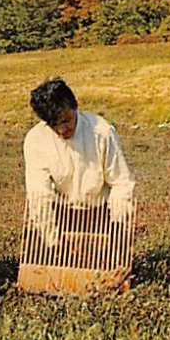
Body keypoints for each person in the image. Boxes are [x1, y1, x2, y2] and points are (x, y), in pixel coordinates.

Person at [23, 78, 135, 236]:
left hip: (100, 214)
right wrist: (50, 237)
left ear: (75, 107)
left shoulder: (102, 132)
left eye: (66, 121)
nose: (61, 130)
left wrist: (117, 226)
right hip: (59, 215)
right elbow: (39, 193)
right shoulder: (36, 139)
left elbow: (120, 181)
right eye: (53, 124)